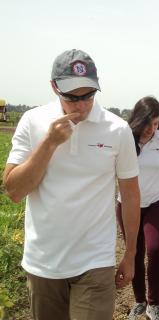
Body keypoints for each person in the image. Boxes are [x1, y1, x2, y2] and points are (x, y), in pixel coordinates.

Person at [2, 49, 140, 320]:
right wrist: (50, 143)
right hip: (44, 261)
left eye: (88, 95)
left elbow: (131, 195)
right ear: (54, 87)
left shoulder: (117, 129)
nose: (81, 105)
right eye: (72, 96)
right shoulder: (33, 122)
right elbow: (14, 191)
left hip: (95, 259)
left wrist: (131, 253)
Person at [116, 96, 159, 320]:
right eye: (148, 124)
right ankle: (139, 301)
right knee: (135, 251)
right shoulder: (124, 139)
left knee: (154, 250)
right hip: (128, 205)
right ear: (138, 120)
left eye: (156, 124)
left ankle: (154, 304)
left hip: (157, 203)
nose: (152, 129)